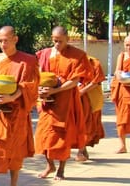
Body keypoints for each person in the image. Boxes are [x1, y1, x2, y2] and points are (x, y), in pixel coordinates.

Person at [34, 26, 92, 180]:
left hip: (65, 102)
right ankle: (50, 165)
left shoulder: (77, 55)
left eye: (60, 41)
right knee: (43, 135)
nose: (57, 44)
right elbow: (38, 74)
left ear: (68, 39)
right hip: (47, 103)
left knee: (62, 137)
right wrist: (39, 89)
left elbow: (75, 81)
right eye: (54, 41)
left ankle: (61, 169)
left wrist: (55, 91)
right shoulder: (45, 54)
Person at [0, 26, 39, 186]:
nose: (3, 44)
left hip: (17, 114)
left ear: (15, 39)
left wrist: (11, 97)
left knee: (16, 153)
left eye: (6, 40)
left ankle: (13, 184)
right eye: (0, 40)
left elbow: (29, 85)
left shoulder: (27, 60)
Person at [75, 55, 107, 162]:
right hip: (76, 98)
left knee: (86, 125)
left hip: (90, 99)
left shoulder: (93, 62)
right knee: (77, 124)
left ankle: (81, 150)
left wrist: (82, 91)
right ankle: (82, 150)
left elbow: (96, 81)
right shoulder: (70, 61)